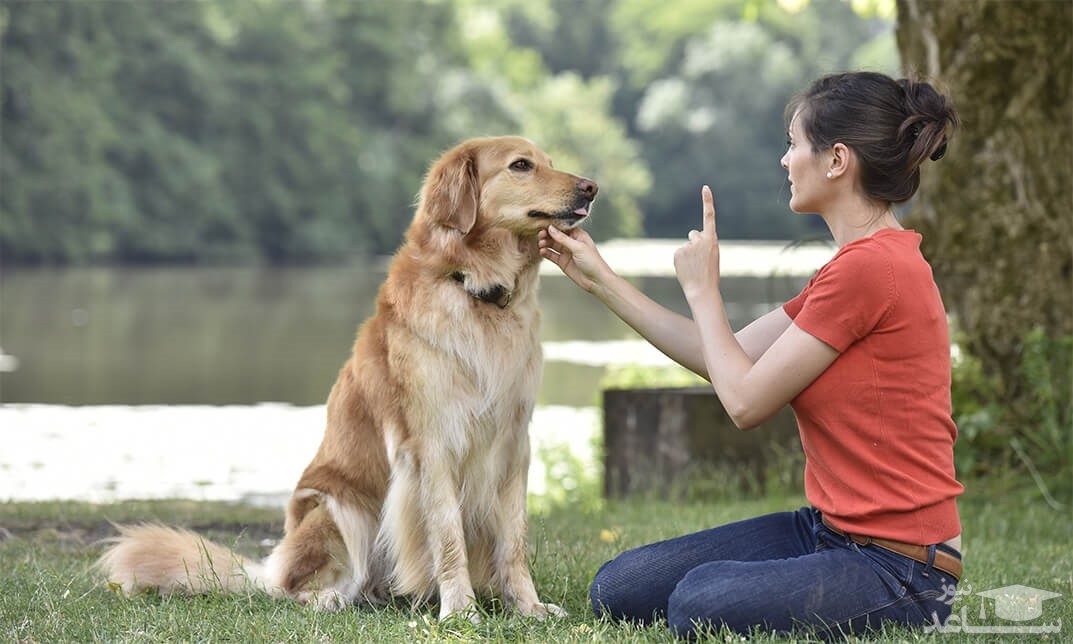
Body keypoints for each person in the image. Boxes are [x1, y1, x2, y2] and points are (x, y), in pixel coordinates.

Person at [538, 71, 963, 637]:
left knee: (697, 604)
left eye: (793, 144)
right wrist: (600, 280)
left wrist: (704, 291)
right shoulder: (853, 267)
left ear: (837, 160)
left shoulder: (872, 270)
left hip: (902, 569)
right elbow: (727, 356)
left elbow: (742, 402)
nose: (785, 161)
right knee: (617, 588)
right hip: (831, 532)